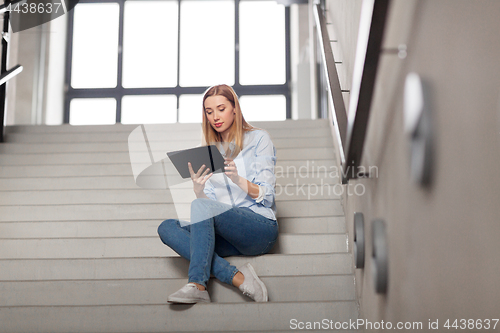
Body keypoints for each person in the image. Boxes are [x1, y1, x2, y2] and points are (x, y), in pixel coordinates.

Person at [157, 84, 278, 304]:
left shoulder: (259, 139)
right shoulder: (208, 152)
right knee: (167, 227)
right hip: (226, 234)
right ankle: (237, 276)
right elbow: (208, 212)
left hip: (259, 229)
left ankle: (197, 284)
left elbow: (267, 195)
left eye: (221, 109)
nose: (215, 117)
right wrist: (199, 191)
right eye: (209, 111)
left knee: (201, 209)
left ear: (234, 109)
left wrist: (238, 180)